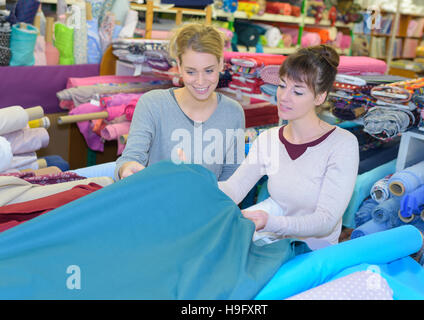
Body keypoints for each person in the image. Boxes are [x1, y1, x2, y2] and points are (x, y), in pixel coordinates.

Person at [218, 45, 359, 250]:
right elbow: (235, 188)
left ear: (320, 97)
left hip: (311, 252)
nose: (284, 97)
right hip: (275, 240)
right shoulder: (269, 139)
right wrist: (197, 184)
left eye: (298, 91)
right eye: (282, 85)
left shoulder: (341, 144)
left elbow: (325, 221)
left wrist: (270, 222)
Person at [115, 23, 245, 181]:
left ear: (221, 63)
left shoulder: (233, 113)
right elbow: (130, 158)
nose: (200, 81)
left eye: (209, 70)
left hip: (208, 204)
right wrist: (126, 168)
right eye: (191, 72)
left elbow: (232, 178)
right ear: (179, 65)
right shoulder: (152, 104)